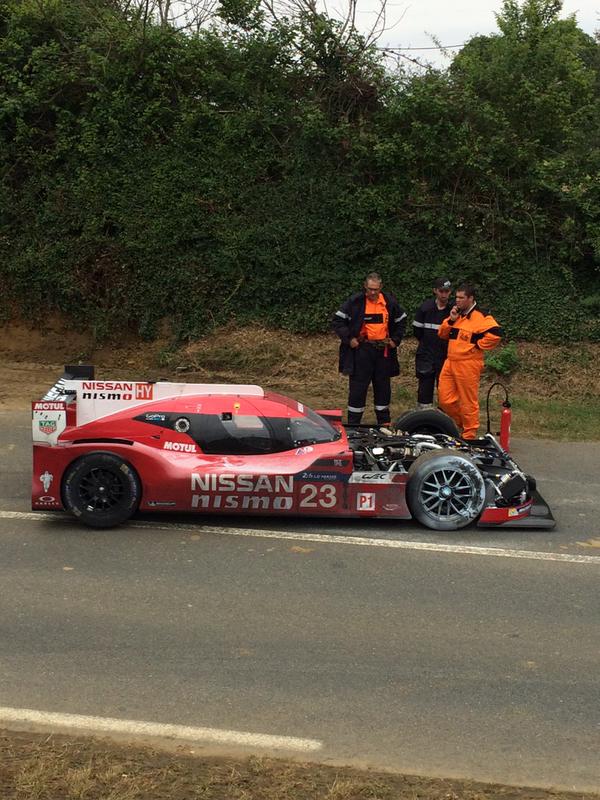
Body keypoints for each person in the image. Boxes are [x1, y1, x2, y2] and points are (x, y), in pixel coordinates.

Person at [332, 272, 407, 425]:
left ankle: (384, 424)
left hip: (383, 351)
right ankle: (353, 425)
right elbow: (338, 321)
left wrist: (395, 340)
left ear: (381, 288)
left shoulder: (389, 302)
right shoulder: (355, 302)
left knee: (383, 388)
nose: (372, 292)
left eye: (376, 289)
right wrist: (349, 339)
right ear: (365, 286)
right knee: (358, 389)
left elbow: (402, 320)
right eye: (370, 289)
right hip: (362, 351)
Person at [437, 282, 503, 439]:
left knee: (468, 400)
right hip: (451, 361)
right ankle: (461, 424)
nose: (457, 300)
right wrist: (451, 320)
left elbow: (496, 334)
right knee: (445, 399)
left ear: (470, 298)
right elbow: (442, 334)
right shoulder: (457, 314)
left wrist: (478, 345)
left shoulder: (481, 316)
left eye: (461, 298)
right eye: (456, 297)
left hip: (468, 363)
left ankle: (469, 432)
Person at [413, 277, 452, 409]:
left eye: (447, 291)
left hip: (445, 356)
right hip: (426, 354)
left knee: (445, 389)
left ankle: (443, 419)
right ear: (435, 291)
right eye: (441, 291)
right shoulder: (425, 308)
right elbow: (417, 331)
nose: (444, 294)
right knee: (425, 388)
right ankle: (424, 416)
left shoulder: (453, 311)